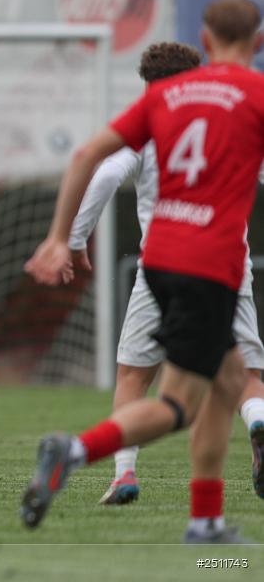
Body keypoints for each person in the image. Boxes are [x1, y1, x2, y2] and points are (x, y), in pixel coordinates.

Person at [21, 0, 264, 543]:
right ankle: (73, 451)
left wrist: (60, 239)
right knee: (180, 404)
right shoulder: (253, 94)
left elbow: (87, 158)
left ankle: (205, 520)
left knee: (229, 379)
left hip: (160, 262)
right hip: (211, 265)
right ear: (258, 42)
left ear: (206, 40)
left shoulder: (166, 97)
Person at [68, 41, 264, 505]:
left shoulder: (150, 125)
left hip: (163, 267)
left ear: (148, 86)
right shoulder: (229, 124)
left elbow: (104, 174)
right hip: (227, 266)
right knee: (245, 376)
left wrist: (75, 238)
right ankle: (257, 422)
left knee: (135, 377)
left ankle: (123, 473)